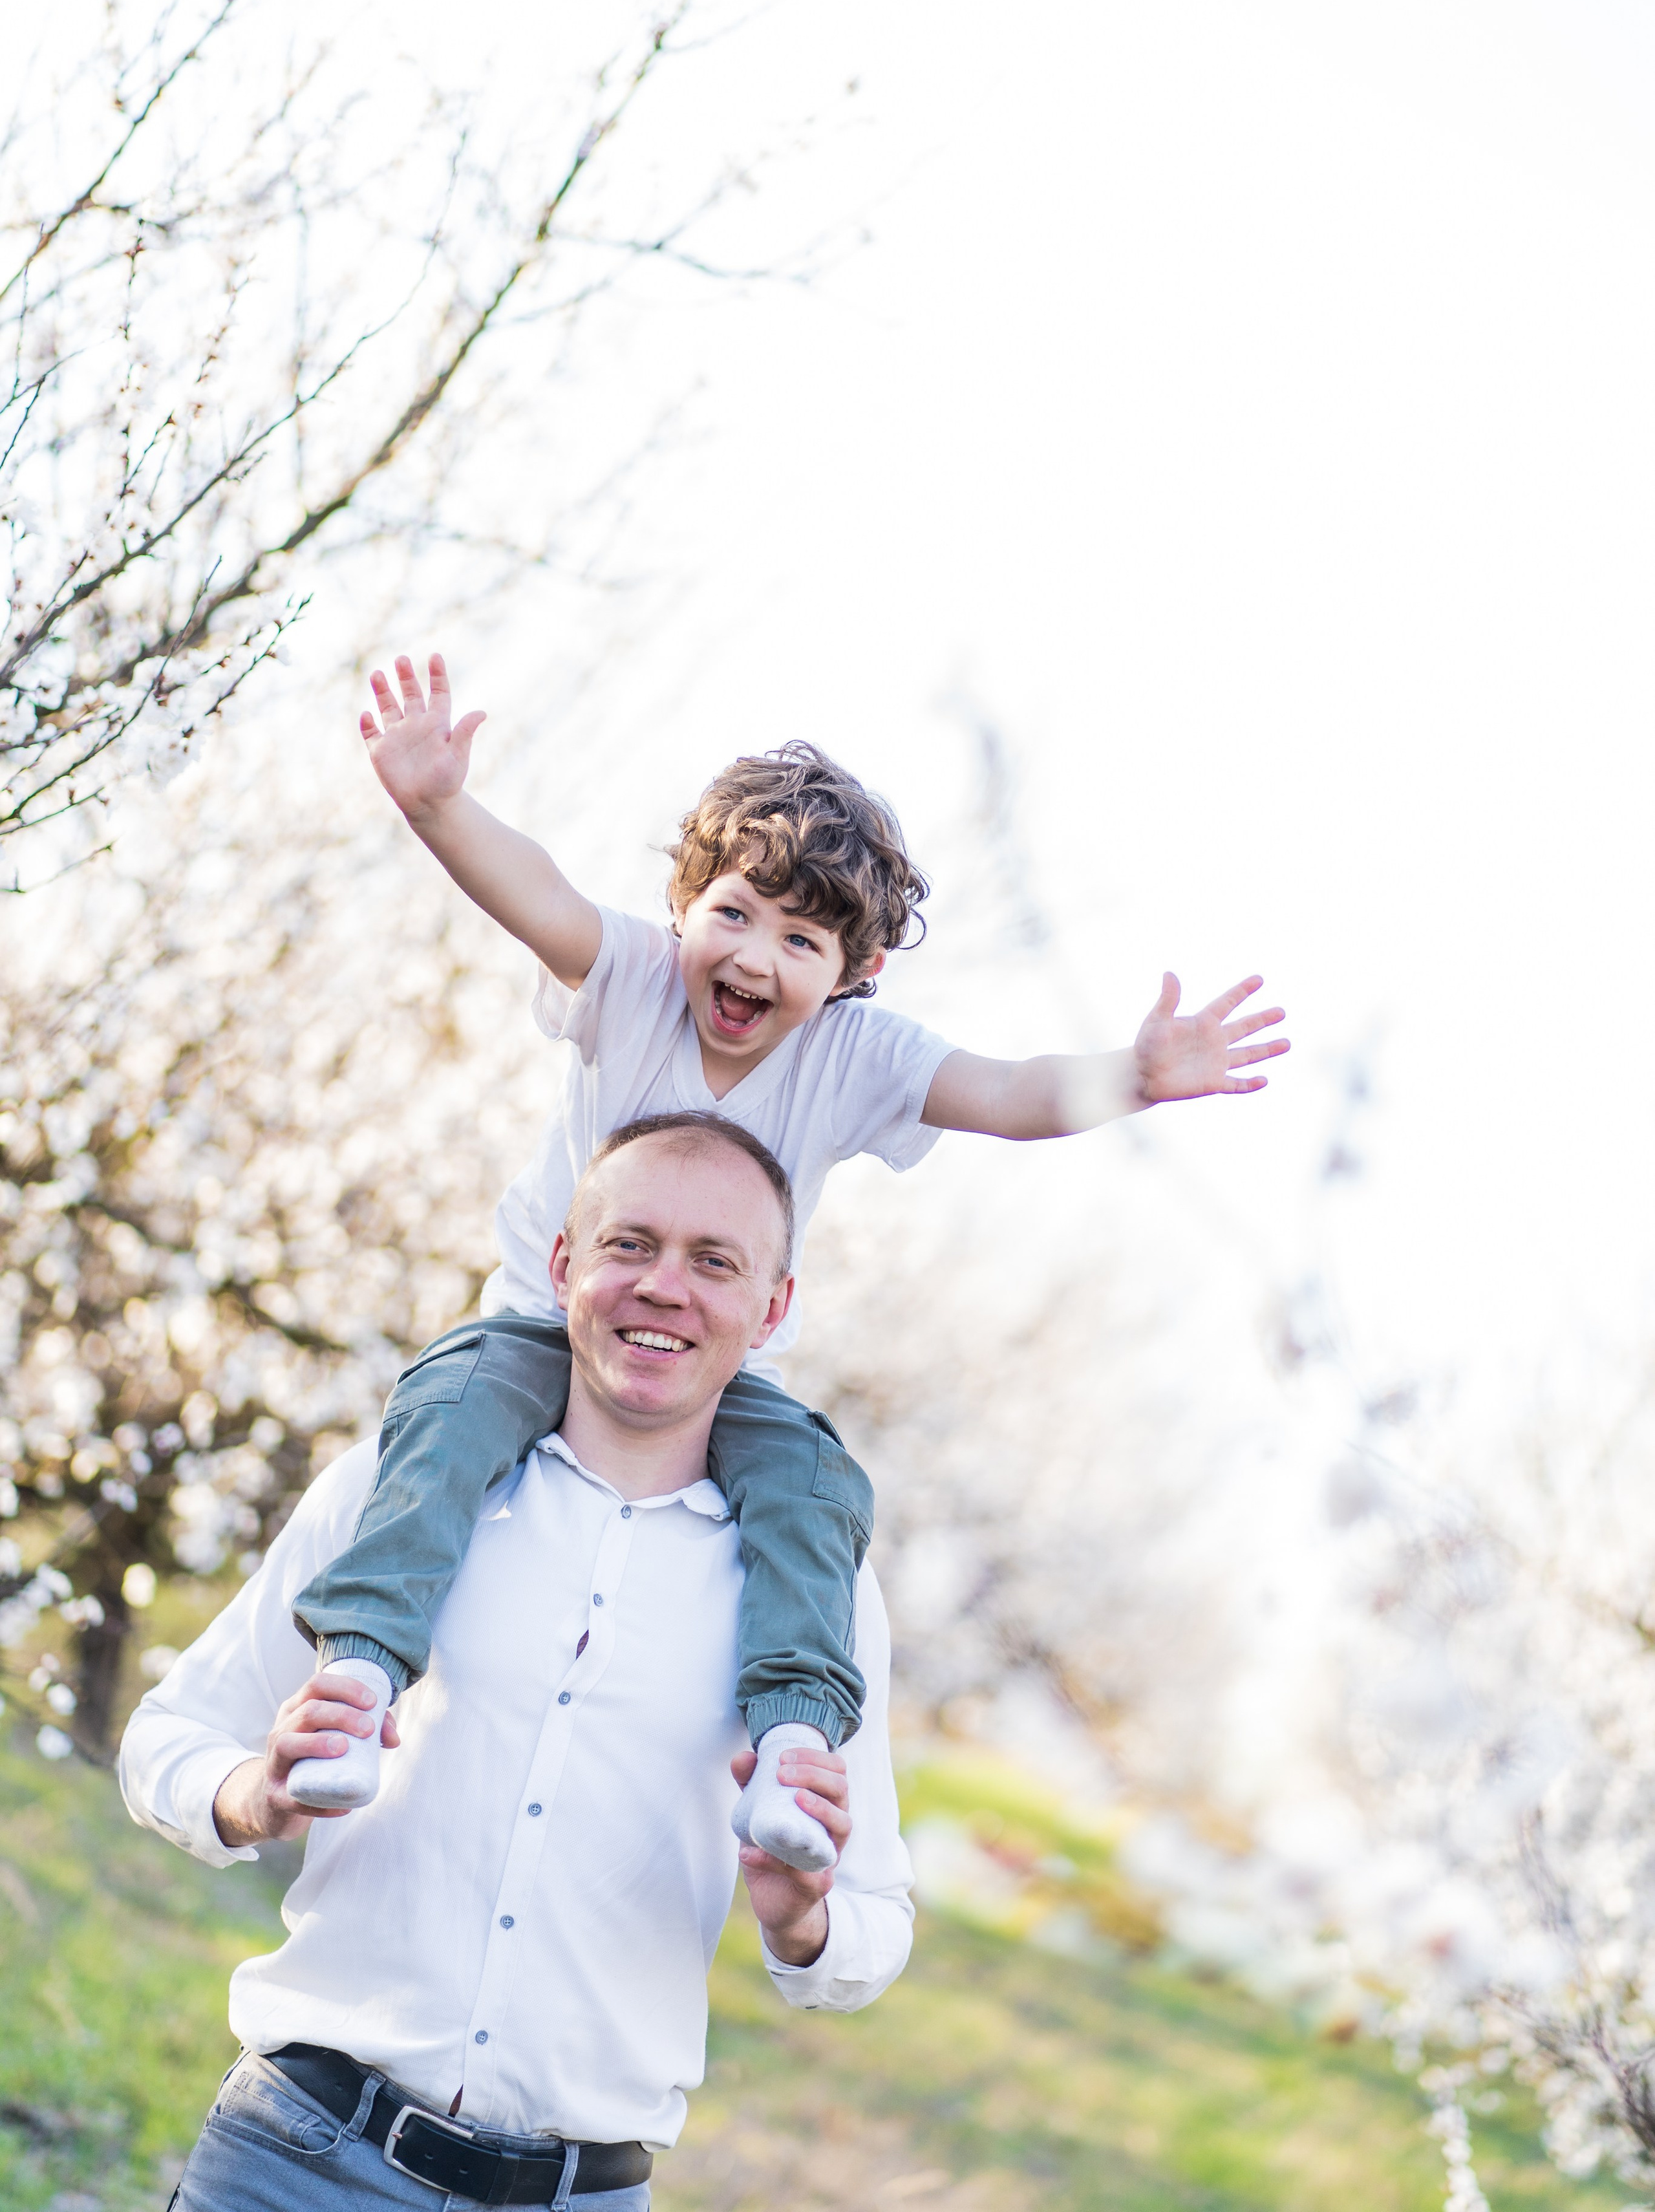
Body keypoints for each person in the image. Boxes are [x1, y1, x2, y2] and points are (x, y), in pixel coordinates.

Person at [288, 656, 1289, 1862]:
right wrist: (438, 805)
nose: (756, 959)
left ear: (855, 974)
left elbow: (1003, 1091)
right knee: (440, 1421)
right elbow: (536, 894)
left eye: (802, 939)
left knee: (815, 1490)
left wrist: (1130, 1077)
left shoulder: (857, 1058)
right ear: (684, 911)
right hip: (541, 1329)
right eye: (735, 915)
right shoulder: (632, 982)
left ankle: (795, 1746)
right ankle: (358, 1680)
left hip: (714, 1375)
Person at [120, 1114, 914, 2212]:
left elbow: (878, 1915)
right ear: (564, 1265)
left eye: (714, 1262)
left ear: (772, 1308)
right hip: (293, 2162)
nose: (663, 1288)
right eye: (629, 1244)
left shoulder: (817, 1596)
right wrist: (252, 1795)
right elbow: (165, 1740)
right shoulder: (395, 1488)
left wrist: (802, 1919)